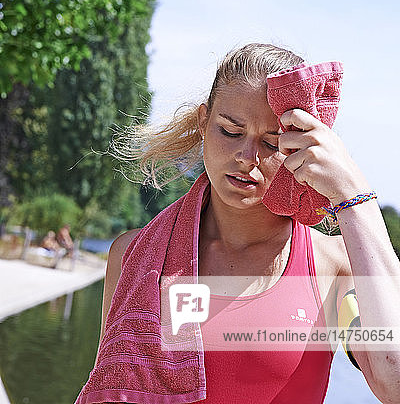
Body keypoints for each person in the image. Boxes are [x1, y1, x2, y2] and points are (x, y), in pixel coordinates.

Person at [75, 43, 400, 404]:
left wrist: (354, 196)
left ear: (305, 149)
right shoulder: (133, 257)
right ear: (203, 123)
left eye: (272, 143)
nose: (247, 158)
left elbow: (395, 381)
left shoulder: (335, 267)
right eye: (230, 132)